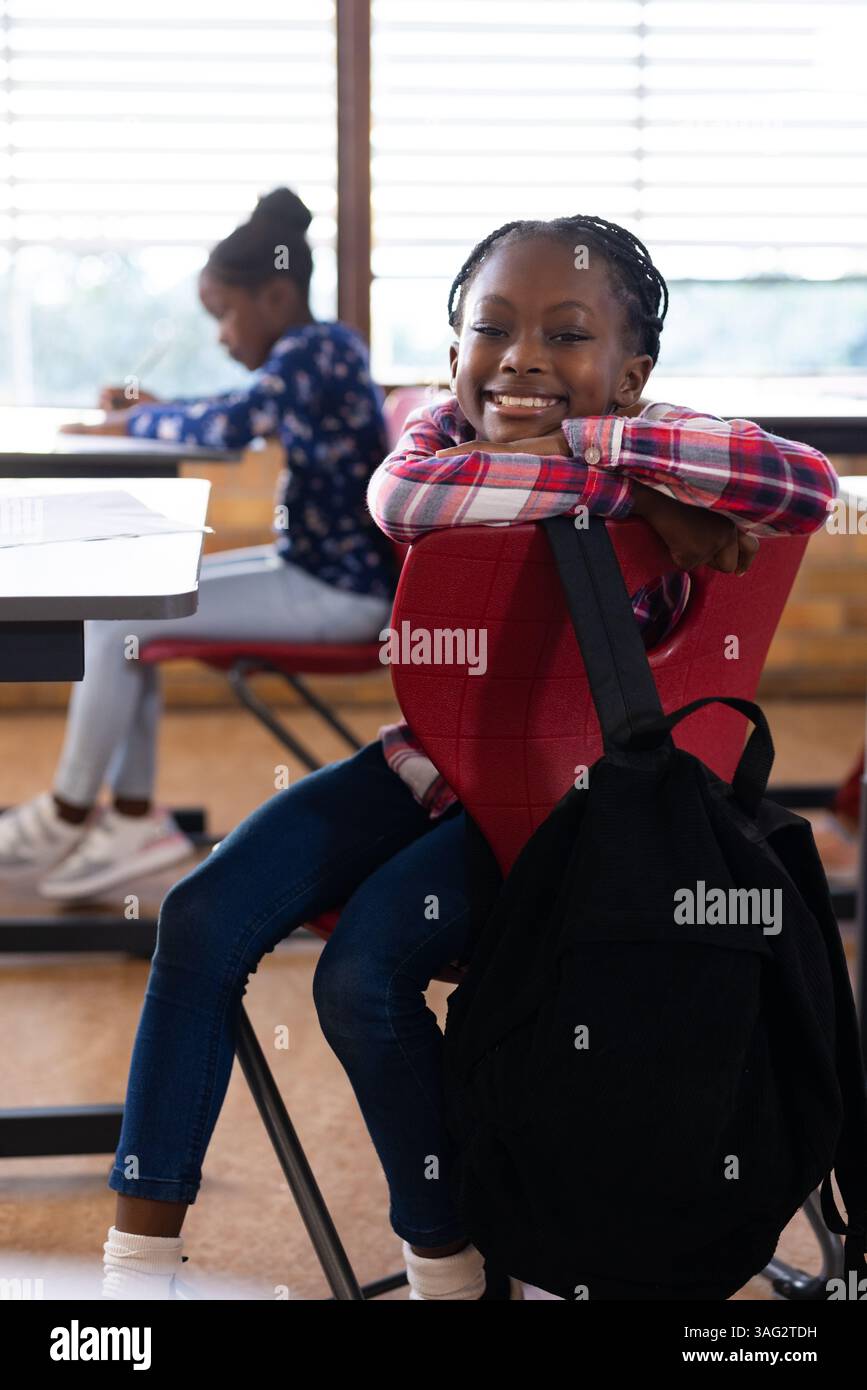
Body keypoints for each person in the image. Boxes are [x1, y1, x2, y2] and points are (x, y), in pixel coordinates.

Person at [99, 215, 839, 1301]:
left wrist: (600, 451)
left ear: (631, 374)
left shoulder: (662, 429)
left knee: (362, 976)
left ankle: (449, 1267)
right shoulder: (444, 447)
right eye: (492, 328)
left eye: (567, 334)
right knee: (198, 914)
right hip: (433, 767)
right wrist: (636, 496)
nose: (525, 356)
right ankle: (136, 1272)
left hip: (575, 818)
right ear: (451, 356)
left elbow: (806, 485)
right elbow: (403, 498)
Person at [0, 188, 396, 900]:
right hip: (318, 573)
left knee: (120, 613)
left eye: (223, 314)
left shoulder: (317, 352)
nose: (219, 335)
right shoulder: (318, 352)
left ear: (275, 295)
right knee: (124, 606)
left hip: (339, 595)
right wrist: (156, 415)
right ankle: (126, 821)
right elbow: (228, 410)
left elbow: (229, 425)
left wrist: (126, 428)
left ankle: (70, 814)